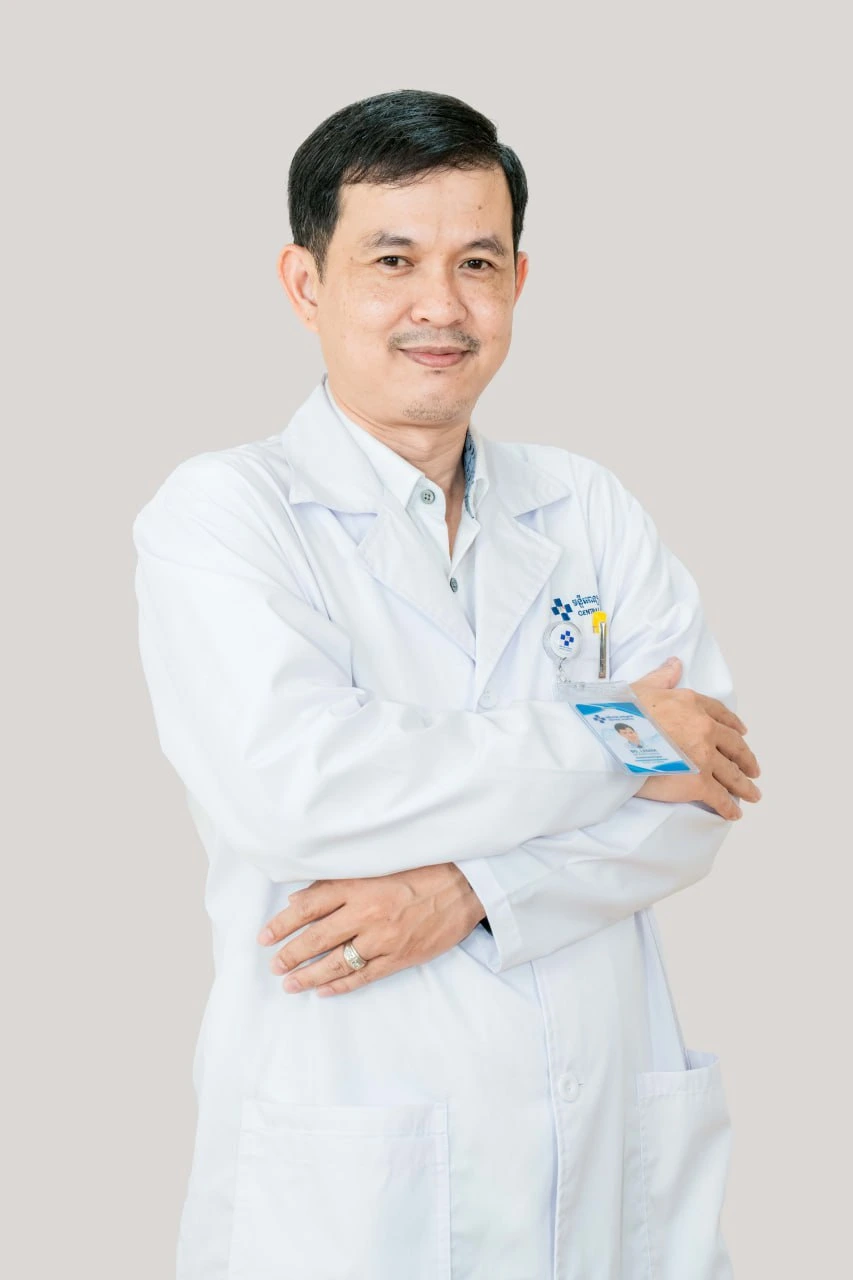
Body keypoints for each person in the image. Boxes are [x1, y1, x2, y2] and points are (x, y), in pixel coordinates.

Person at [132, 89, 762, 1280]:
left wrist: (470, 890)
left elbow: (701, 790)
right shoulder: (225, 515)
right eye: (392, 260)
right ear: (305, 283)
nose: (441, 304)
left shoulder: (586, 506)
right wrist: (617, 733)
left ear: (518, 280)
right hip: (356, 1165)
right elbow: (302, 790)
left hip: (601, 1143)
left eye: (477, 261)